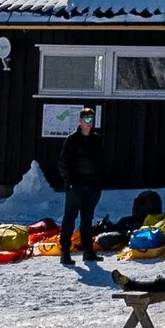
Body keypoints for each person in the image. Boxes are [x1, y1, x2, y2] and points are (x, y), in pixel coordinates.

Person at [57, 108, 104, 268]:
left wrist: (98, 182)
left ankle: (88, 251)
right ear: (80, 121)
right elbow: (63, 163)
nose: (89, 123)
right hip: (75, 187)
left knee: (87, 219)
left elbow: (100, 163)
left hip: (92, 186)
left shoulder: (96, 140)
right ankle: (65, 252)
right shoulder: (72, 140)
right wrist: (69, 181)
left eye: (91, 120)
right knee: (69, 218)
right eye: (86, 120)